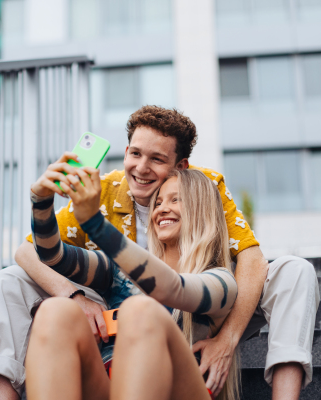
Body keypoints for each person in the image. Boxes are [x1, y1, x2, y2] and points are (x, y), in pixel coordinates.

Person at [0, 106, 319, 400]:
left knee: (293, 270)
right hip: (117, 317)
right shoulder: (106, 192)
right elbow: (35, 251)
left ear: (181, 167)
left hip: (198, 313)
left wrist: (226, 340)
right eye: (135, 154)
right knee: (17, 284)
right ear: (126, 151)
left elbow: (245, 261)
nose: (140, 169)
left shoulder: (205, 190)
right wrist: (73, 293)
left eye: (157, 159)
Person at [26, 168, 239, 400]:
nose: (161, 209)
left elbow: (171, 288)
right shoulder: (118, 272)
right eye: (157, 203)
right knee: (55, 311)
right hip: (109, 386)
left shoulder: (221, 280)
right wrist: (41, 201)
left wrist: (95, 224)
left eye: (175, 200)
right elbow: (52, 256)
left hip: (180, 390)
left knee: (141, 310)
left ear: (202, 208)